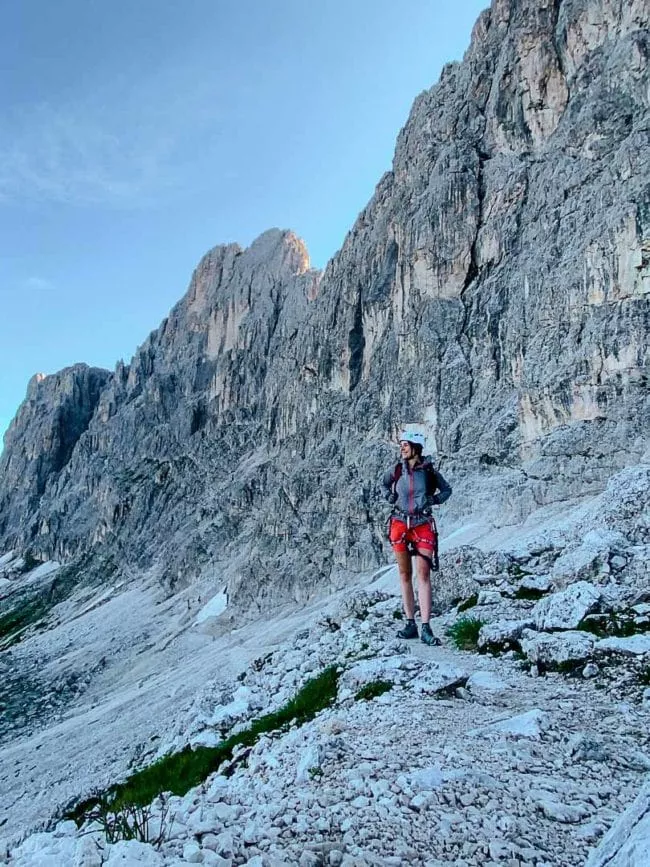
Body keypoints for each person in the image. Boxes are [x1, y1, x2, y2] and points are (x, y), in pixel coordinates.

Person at [383, 427, 452, 645]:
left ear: (416, 448)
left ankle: (425, 626)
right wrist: (389, 496)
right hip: (400, 523)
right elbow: (383, 484)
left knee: (423, 575)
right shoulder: (396, 470)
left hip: (422, 524)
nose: (402, 448)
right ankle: (411, 622)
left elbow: (446, 490)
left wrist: (433, 501)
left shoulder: (429, 471)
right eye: (402, 445)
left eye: (406, 445)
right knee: (405, 574)